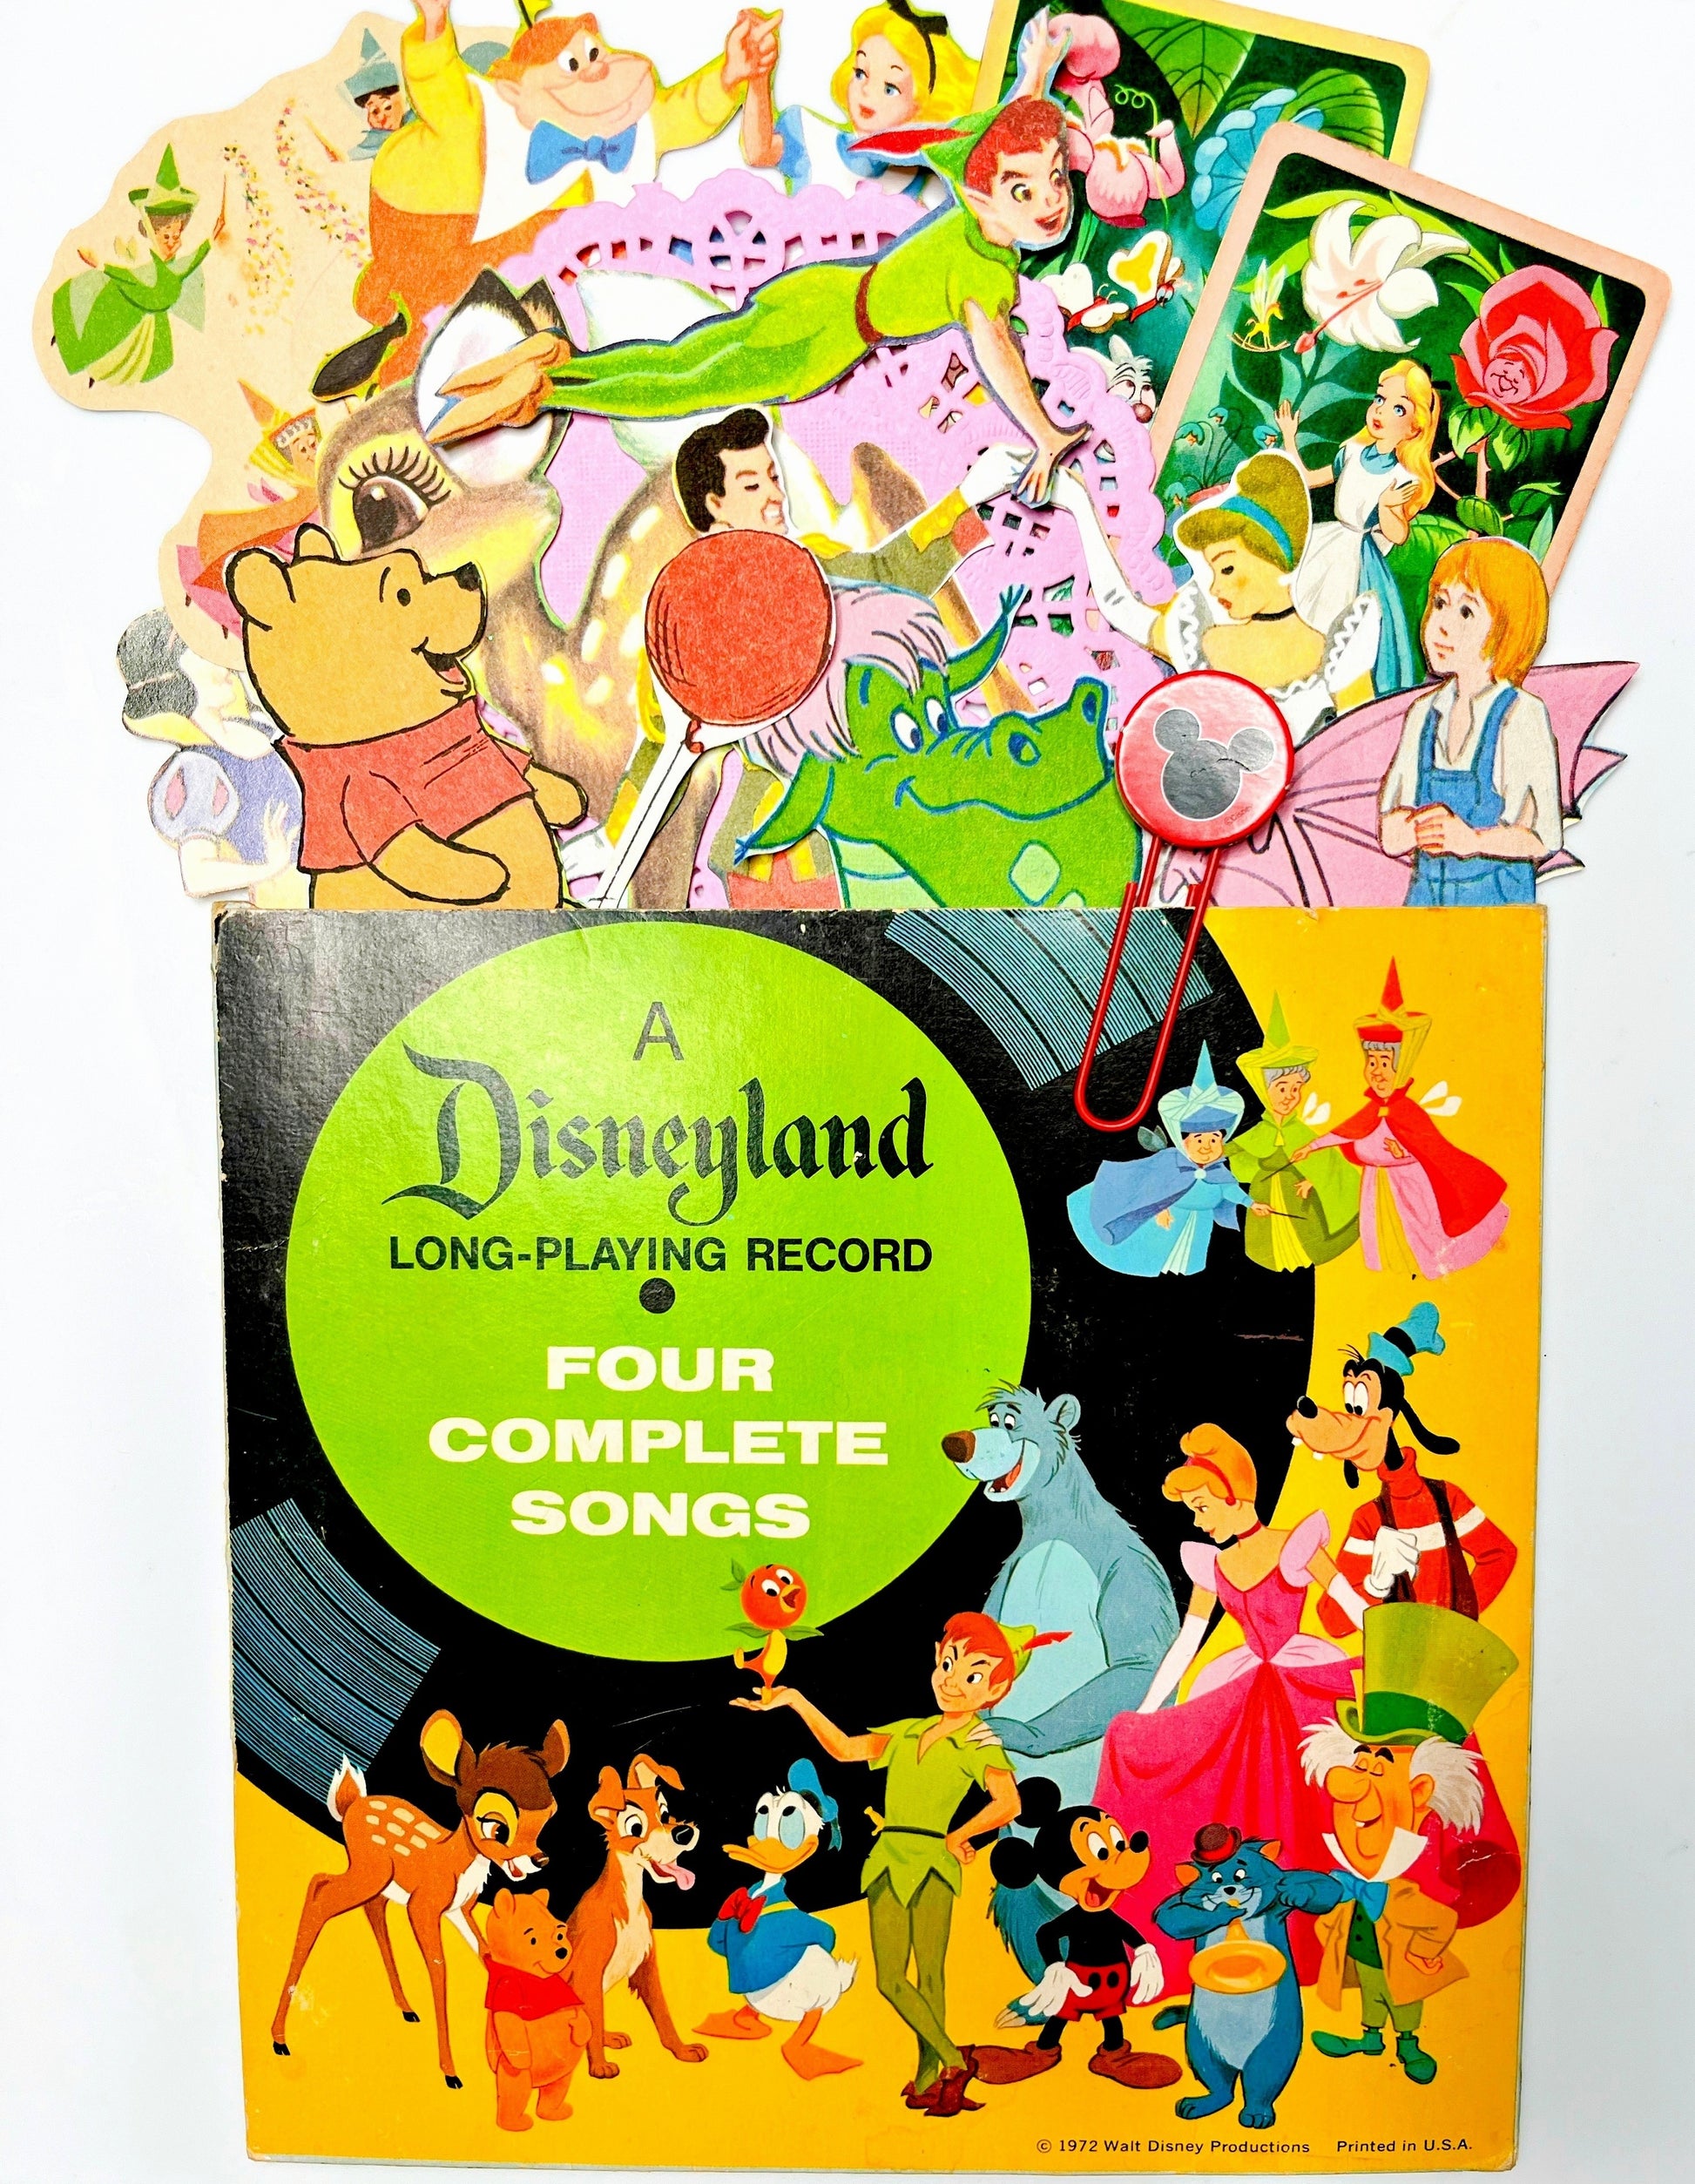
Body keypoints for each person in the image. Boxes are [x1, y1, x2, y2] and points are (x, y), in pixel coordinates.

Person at [431, 13, 1091, 504]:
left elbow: (1015, 130)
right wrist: (1045, 435)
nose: (1052, 202)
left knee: (680, 362)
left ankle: (558, 361)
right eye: (1024, 192)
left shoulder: (973, 186)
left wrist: (1037, 72)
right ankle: (549, 388)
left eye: (1056, 179)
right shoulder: (984, 271)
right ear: (981, 195)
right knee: (685, 384)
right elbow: (998, 354)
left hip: (820, 293)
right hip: (824, 338)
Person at [331, 0, 776, 389]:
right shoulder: (489, 119)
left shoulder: (621, 124)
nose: (596, 71)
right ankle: (398, 338)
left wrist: (730, 73)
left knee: (495, 322)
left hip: (521, 252)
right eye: (573, 64)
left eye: (595, 54)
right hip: (430, 214)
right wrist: (433, 25)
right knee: (428, 310)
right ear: (517, 90)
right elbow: (440, 86)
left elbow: (683, 111)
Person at [734, 1613, 1044, 2115]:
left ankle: (930, 2077)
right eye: (948, 1664)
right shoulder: (906, 1734)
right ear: (935, 1660)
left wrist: (959, 1835)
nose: (952, 1681)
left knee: (931, 1977)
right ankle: (953, 2060)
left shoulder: (978, 1743)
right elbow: (844, 1749)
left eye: (973, 1675)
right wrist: (793, 1700)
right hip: (888, 1859)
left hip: (934, 1862)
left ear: (996, 1689)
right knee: (890, 1980)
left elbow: (1008, 1803)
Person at [1093, 1427, 1358, 1989]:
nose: (1197, 1520)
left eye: (1201, 1505)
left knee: (1312, 1801)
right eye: (1191, 1509)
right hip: (1243, 1688)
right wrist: (1147, 1711)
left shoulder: (1294, 1543)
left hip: (1300, 1682)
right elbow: (1187, 1642)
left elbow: (1354, 1607)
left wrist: (1383, 1654)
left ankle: (1321, 1942)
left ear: (1233, 1494)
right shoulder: (1211, 1565)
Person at [1299, 1601, 1518, 2086]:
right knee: (1372, 1992)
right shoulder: (1354, 1876)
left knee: (1402, 1999)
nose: (1353, 1788)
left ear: (1420, 1793)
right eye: (1360, 1763)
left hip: (1401, 1961)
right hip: (1367, 1954)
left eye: (1379, 1768)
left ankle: (1408, 2042)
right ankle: (1370, 2036)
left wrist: (1426, 1951)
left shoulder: (1409, 1893)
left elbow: (1441, 1921)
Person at [1051, 450, 1380, 742]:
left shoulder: (1339, 655)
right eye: (1212, 571)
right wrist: (1080, 504)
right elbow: (1118, 605)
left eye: (1227, 569)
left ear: (1273, 558)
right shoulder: (1200, 640)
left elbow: (1361, 751)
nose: (1214, 588)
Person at [1292, 960, 1508, 1280]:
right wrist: (1311, 1147)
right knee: (1384, 1237)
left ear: (1402, 1066)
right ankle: (1393, 1278)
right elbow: (1347, 1133)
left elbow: (1428, 1147)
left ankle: (1421, 1270)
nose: (1377, 1072)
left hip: (1411, 1184)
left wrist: (1402, 1152)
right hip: (1377, 1184)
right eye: (1372, 1062)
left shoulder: (1407, 1111)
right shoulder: (1371, 1109)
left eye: (1385, 1063)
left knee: (1419, 1233)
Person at [1379, 538, 1560, 904]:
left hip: (1497, 908)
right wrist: (1414, 829)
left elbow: (1545, 838)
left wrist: (1472, 840)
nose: (1441, 626)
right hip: (1425, 905)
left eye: (1466, 612)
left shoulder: (1521, 714)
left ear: (1508, 627)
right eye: (1439, 603)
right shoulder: (1423, 713)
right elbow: (1390, 833)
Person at [1277, 362, 1437, 693]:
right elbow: (1307, 478)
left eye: (1398, 408)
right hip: (1327, 542)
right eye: (1380, 399)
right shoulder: (1351, 452)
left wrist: (1386, 507)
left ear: (1414, 429)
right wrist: (1289, 437)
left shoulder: (1403, 477)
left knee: (1337, 634)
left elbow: (1398, 535)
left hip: (1359, 563)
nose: (1381, 411)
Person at [1068, 1043, 1272, 1277]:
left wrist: (1251, 1204)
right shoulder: (1171, 1160)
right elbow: (1153, 1186)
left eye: (1214, 1139)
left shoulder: (1218, 1170)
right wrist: (1160, 1208)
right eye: (1199, 1139)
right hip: (1167, 1216)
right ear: (1184, 1141)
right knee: (1155, 1253)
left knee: (1188, 1259)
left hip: (1199, 1220)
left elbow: (1229, 1190)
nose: (1207, 1146)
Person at [741, 2, 978, 199]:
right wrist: (759, 75)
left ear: (921, 107)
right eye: (860, 73)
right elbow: (759, 152)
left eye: (890, 88)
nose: (866, 90)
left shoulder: (914, 176)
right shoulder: (811, 136)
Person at [51, 146, 209, 387]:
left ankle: (99, 373)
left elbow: (189, 265)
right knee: (106, 340)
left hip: (146, 320)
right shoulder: (147, 266)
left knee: (137, 357)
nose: (173, 242)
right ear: (152, 233)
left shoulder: (170, 268)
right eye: (166, 236)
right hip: (126, 310)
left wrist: (210, 242)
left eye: (177, 235)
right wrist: (101, 265)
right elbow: (134, 282)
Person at [1228, 995, 1360, 1271]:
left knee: (1309, 1239)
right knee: (1269, 1248)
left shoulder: (1302, 1131)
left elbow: (1330, 1163)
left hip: (1301, 1200)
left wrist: (1312, 1180)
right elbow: (1234, 1149)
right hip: (1266, 1195)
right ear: (1265, 1089)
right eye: (1282, 1087)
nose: (1290, 1095)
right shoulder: (1257, 1130)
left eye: (1296, 1088)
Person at [344, 30, 412, 157]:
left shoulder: (416, 123)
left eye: (388, 107)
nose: (381, 118)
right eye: (374, 111)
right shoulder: (377, 141)